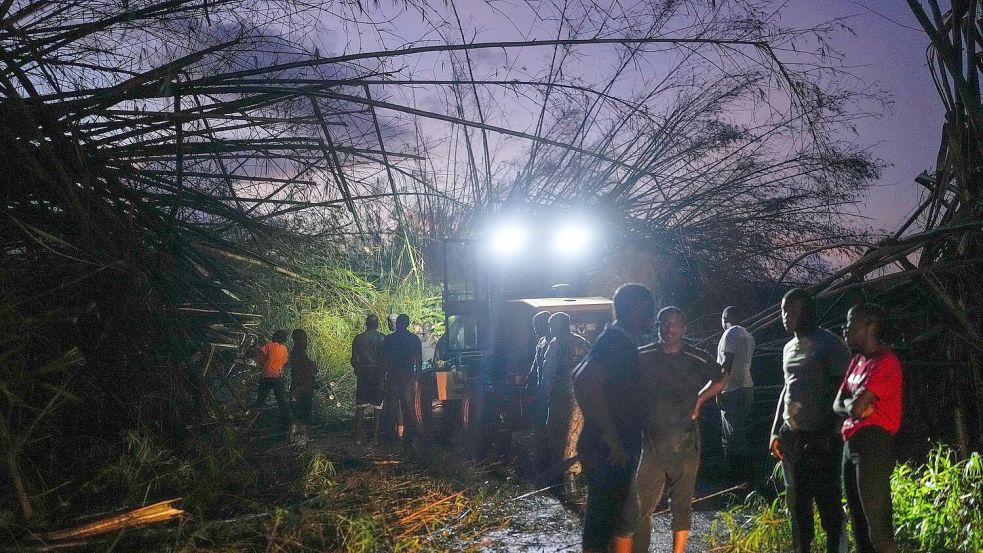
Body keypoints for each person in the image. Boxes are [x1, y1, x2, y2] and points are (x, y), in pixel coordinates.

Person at [616, 306, 728, 553]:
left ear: (683, 328)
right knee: (638, 507)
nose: (669, 328)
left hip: (686, 443)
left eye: (675, 323)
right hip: (651, 444)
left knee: (682, 505)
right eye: (664, 323)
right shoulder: (642, 355)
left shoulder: (695, 357)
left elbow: (720, 377)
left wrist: (700, 399)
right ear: (657, 326)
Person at [573, 283, 655, 553]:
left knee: (620, 516)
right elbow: (585, 381)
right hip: (610, 450)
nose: (652, 318)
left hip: (612, 446)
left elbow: (578, 374)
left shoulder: (615, 340)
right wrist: (611, 435)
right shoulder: (617, 344)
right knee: (602, 523)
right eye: (648, 311)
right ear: (635, 312)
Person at [770, 288, 850, 553]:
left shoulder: (830, 344)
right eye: (784, 310)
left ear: (809, 312)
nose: (786, 316)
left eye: (793, 311)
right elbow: (787, 388)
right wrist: (775, 431)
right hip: (793, 435)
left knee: (828, 504)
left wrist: (827, 432)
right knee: (798, 504)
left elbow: (844, 390)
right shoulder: (788, 348)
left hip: (823, 438)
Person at [834, 303, 902, 553]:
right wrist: (855, 405)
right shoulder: (856, 362)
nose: (846, 327)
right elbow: (840, 405)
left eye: (851, 322)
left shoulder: (886, 362)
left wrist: (854, 405)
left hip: (874, 443)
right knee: (859, 525)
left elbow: (855, 407)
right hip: (851, 442)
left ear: (869, 326)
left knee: (879, 530)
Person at [542, 311, 590, 500]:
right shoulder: (581, 342)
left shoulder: (555, 344)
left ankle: (566, 484)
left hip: (563, 397)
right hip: (576, 398)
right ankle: (569, 481)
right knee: (571, 437)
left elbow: (548, 371)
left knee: (561, 436)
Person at [716, 305, 756, 485]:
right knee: (738, 433)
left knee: (733, 437)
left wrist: (718, 388)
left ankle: (740, 481)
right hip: (747, 387)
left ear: (725, 319)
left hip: (732, 390)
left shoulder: (730, 333)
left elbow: (727, 363)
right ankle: (743, 479)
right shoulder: (749, 335)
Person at [381, 313, 422, 446]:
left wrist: (383, 377)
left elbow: (385, 360)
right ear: (407, 324)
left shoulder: (389, 339)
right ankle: (409, 437)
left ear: (397, 323)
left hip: (393, 376)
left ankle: (390, 438)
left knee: (391, 408)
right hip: (408, 376)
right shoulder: (414, 339)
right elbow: (419, 361)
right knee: (408, 408)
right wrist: (417, 379)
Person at [351, 314, 386, 445]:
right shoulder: (382, 338)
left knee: (360, 407)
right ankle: (376, 438)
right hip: (377, 374)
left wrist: (358, 369)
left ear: (366, 324)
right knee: (377, 408)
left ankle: (357, 438)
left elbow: (354, 360)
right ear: (377, 324)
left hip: (363, 374)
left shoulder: (359, 338)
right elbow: (385, 359)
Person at [254, 330, 291, 426]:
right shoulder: (284, 349)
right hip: (277, 377)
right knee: (281, 400)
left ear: (275, 337)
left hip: (266, 376)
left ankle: (257, 421)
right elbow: (284, 362)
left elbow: (259, 355)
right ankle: (286, 421)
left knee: (260, 400)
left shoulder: (269, 345)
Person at [289, 329, 317, 438]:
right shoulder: (298, 353)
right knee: (302, 417)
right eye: (304, 339)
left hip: (299, 389)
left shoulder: (297, 353)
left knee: (299, 416)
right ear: (298, 340)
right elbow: (303, 371)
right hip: (301, 389)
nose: (306, 341)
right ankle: (302, 439)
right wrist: (312, 367)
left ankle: (297, 439)